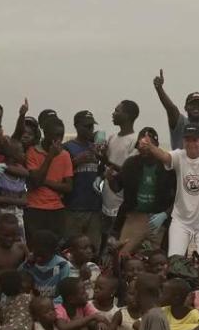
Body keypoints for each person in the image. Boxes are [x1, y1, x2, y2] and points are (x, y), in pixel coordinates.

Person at [143, 122, 199, 259]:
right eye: (187, 140)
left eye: (194, 140)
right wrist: (151, 147)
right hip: (181, 220)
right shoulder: (179, 155)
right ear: (183, 141)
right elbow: (165, 157)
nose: (191, 143)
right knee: (175, 261)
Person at [109, 127, 176, 256]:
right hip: (135, 217)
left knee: (156, 258)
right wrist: (110, 178)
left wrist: (165, 214)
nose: (144, 149)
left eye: (148, 145)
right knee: (122, 255)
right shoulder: (130, 163)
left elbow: (178, 196)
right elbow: (117, 188)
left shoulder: (168, 165)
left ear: (155, 145)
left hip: (158, 220)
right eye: (141, 145)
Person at [101, 100, 140, 254]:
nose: (113, 113)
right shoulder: (111, 138)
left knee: (120, 247)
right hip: (106, 202)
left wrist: (106, 162)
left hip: (122, 205)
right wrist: (101, 156)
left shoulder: (135, 140)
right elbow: (106, 166)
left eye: (117, 111)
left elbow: (128, 171)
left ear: (128, 115)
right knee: (105, 246)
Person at [25, 118, 74, 241]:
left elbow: (68, 187)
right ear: (46, 134)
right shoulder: (32, 152)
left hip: (56, 209)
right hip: (35, 207)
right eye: (55, 135)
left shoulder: (65, 155)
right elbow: (36, 182)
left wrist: (45, 182)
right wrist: (50, 157)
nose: (59, 139)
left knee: (55, 246)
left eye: (61, 135)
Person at [63, 110, 104, 251]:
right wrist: (76, 161)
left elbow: (102, 174)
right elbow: (60, 174)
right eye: (86, 126)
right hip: (74, 207)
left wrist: (101, 157)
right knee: (72, 248)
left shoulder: (96, 148)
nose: (90, 129)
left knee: (92, 249)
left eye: (91, 126)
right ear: (77, 126)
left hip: (94, 207)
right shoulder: (67, 147)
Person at [153, 69, 199, 149]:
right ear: (185, 107)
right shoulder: (180, 124)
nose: (196, 107)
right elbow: (171, 108)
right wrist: (159, 89)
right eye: (192, 104)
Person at [19, 229, 72, 299]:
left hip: (54, 305)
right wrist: (27, 263)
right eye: (36, 255)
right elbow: (17, 280)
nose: (38, 259)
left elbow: (64, 292)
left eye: (43, 256)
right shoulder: (29, 264)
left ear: (53, 251)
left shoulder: (62, 265)